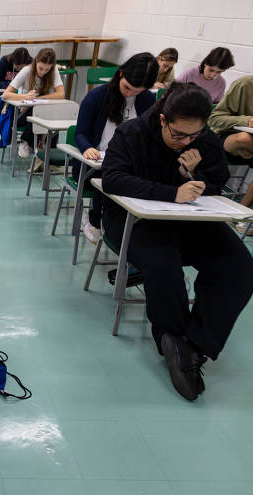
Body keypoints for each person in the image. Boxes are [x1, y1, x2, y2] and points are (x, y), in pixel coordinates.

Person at [101, 82, 253, 401]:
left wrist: (197, 174)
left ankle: (192, 346)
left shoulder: (204, 139)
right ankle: (171, 334)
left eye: (194, 136)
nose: (186, 141)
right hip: (132, 220)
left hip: (187, 220)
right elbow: (112, 178)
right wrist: (171, 192)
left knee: (239, 267)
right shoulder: (132, 134)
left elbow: (216, 182)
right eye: (179, 135)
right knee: (164, 264)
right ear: (162, 119)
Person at [75, 52, 159, 243]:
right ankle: (95, 220)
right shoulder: (96, 97)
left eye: (137, 91)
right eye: (127, 88)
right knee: (110, 175)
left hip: (130, 162)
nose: (130, 94)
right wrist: (87, 147)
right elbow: (80, 133)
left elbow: (149, 135)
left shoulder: (146, 100)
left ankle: (135, 228)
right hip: (95, 163)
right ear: (120, 74)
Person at [1, 47, 65, 157]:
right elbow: (6, 95)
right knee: (36, 111)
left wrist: (40, 98)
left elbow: (61, 94)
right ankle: (26, 141)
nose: (43, 72)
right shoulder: (27, 70)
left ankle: (49, 152)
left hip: (44, 113)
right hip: (21, 115)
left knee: (52, 114)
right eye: (41, 68)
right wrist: (25, 96)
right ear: (35, 62)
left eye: (47, 70)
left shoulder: (54, 71)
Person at [209, 74, 253, 230]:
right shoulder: (244, 84)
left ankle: (242, 214)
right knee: (244, 138)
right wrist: (246, 120)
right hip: (229, 140)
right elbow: (214, 119)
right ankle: (243, 217)